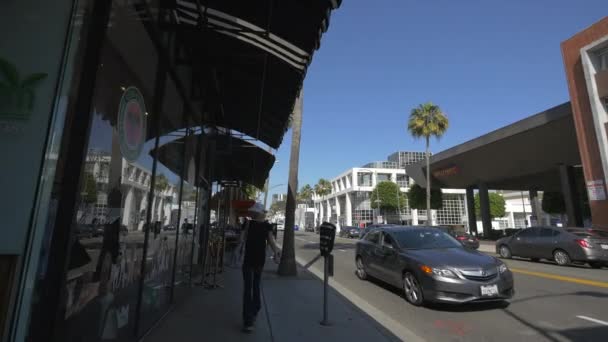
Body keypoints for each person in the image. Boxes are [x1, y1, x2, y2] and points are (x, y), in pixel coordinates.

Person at [239, 203, 281, 332]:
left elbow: (241, 240)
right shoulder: (265, 226)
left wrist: (275, 253)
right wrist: (276, 253)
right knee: (255, 286)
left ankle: (248, 321)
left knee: (248, 289)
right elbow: (271, 241)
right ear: (261, 213)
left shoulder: (248, 224)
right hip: (258, 261)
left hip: (250, 260)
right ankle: (254, 311)